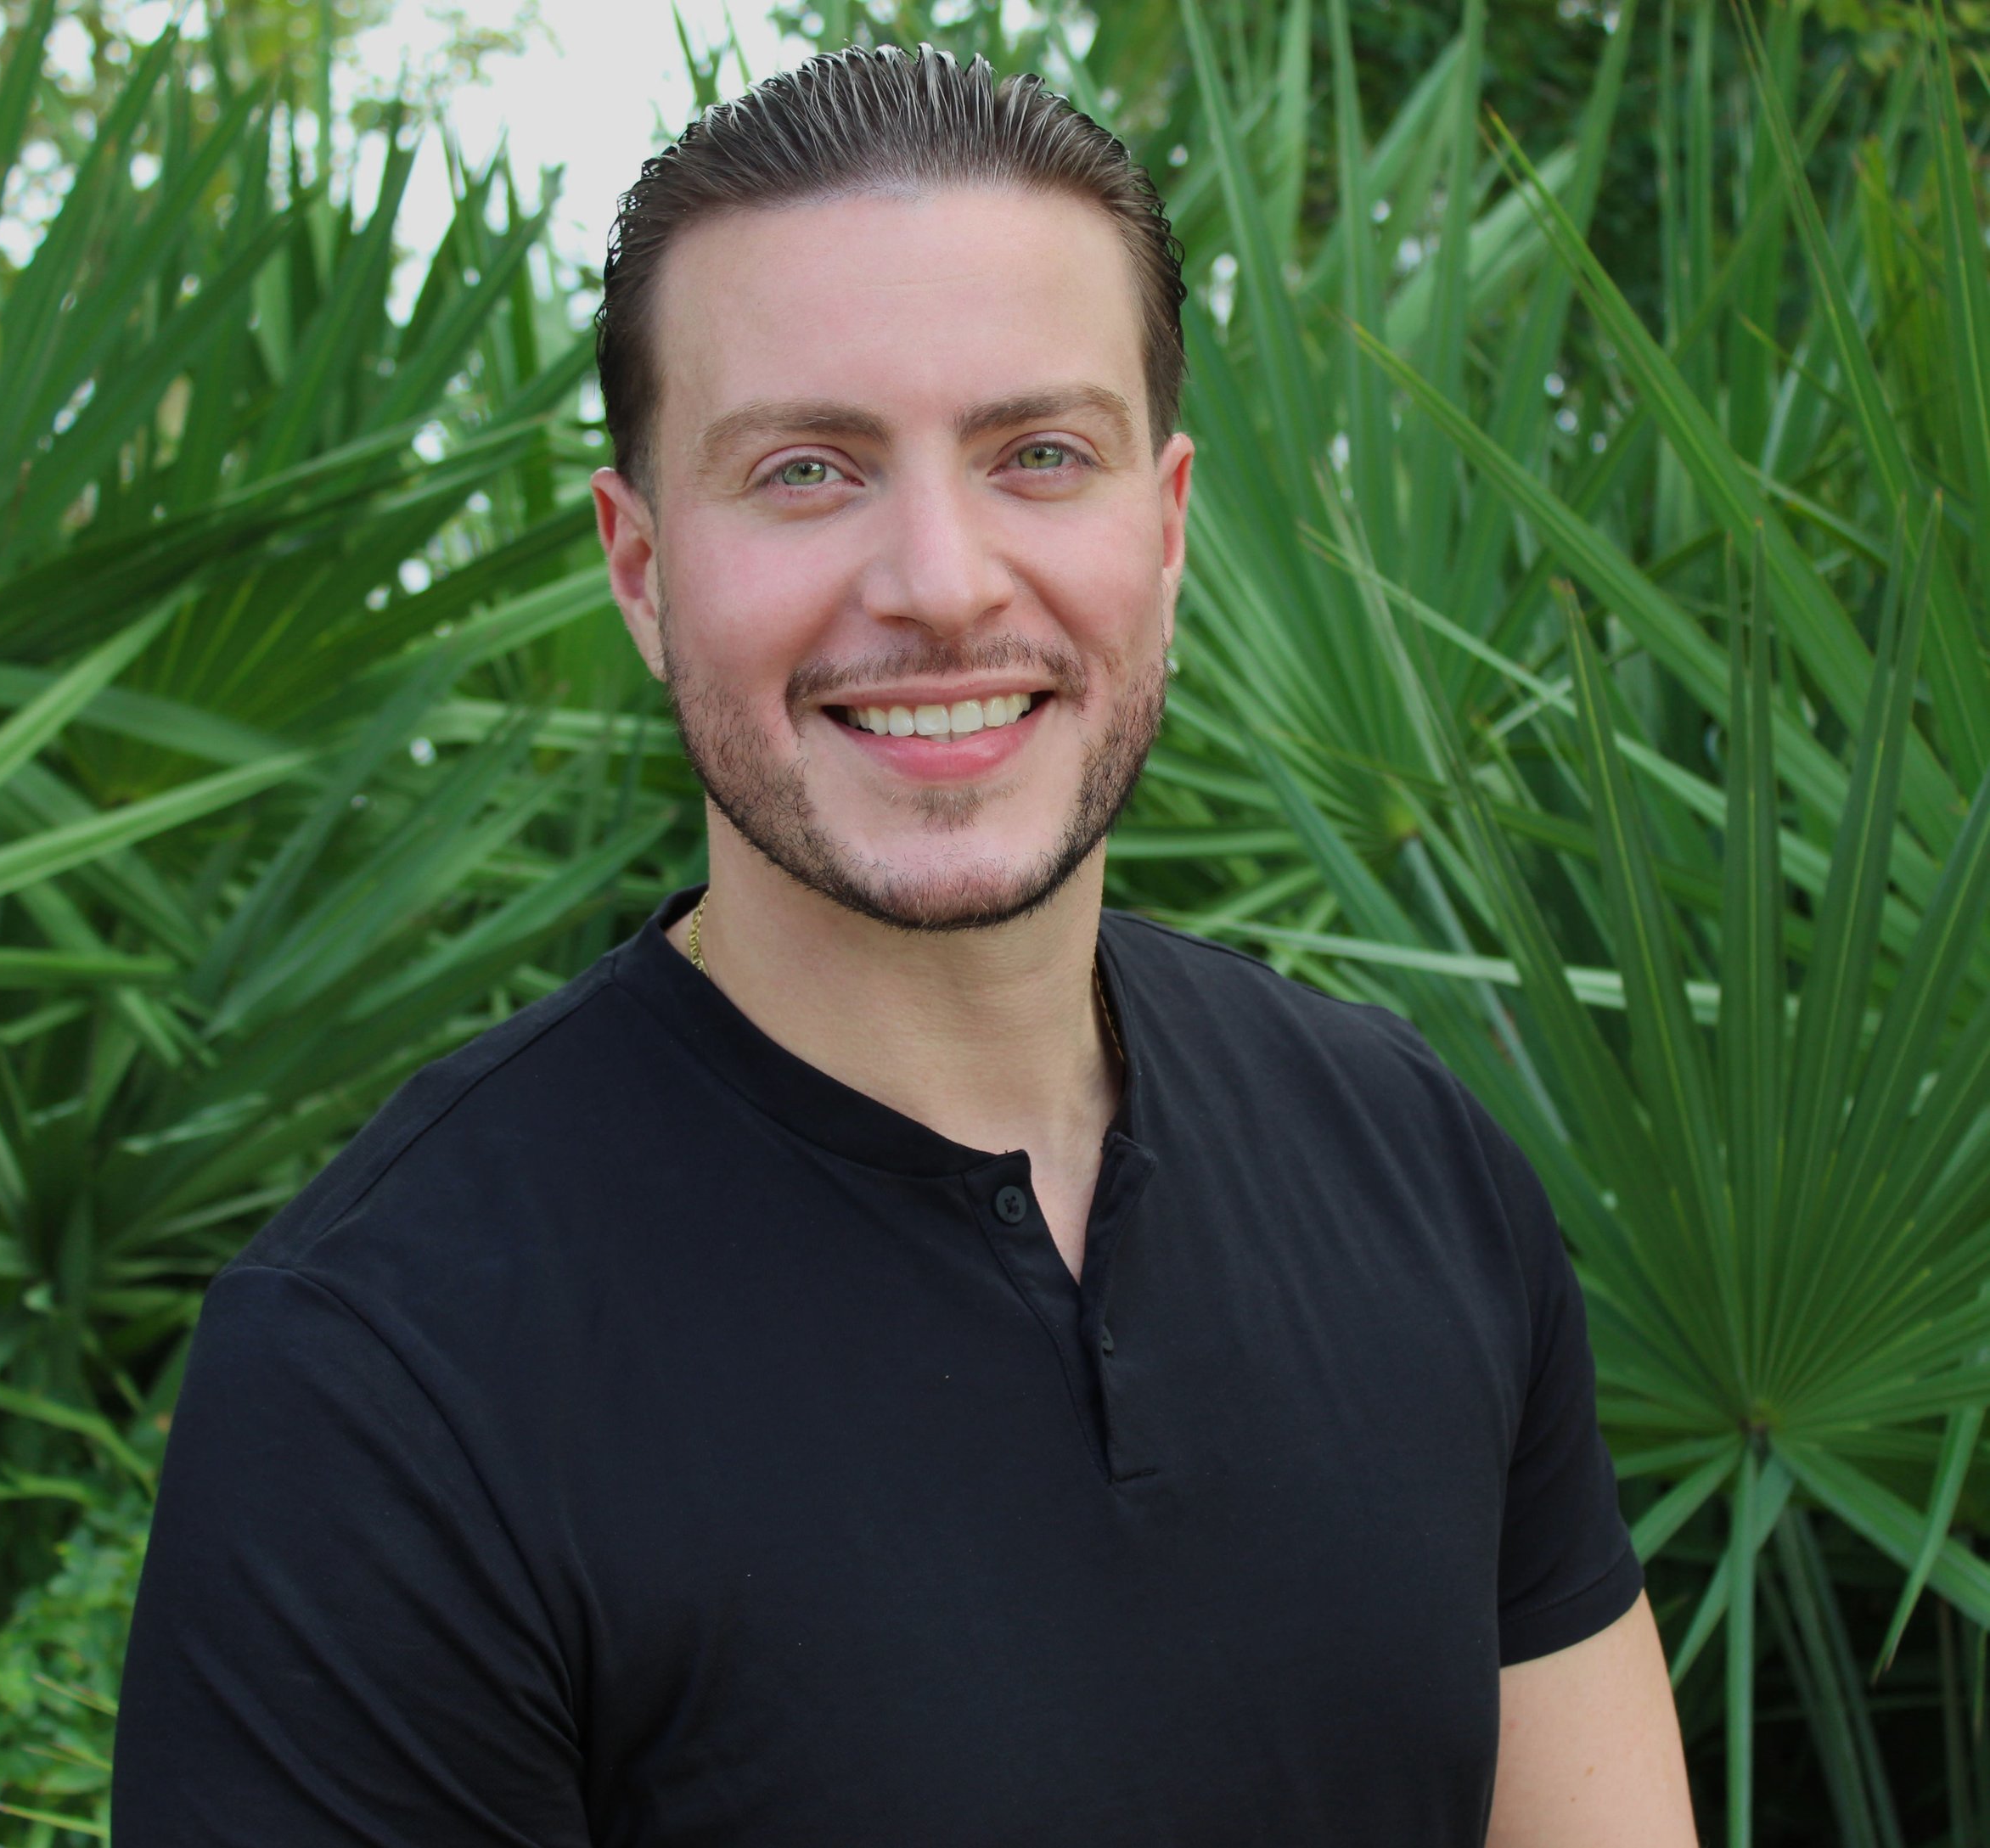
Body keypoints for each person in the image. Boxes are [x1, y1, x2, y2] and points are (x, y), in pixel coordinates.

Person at [112, 43, 1699, 1846]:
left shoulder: (1414, 1164)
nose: (940, 581)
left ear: (1164, 529)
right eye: (805, 468)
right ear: (639, 568)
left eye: (1038, 453)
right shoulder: (377, 1374)